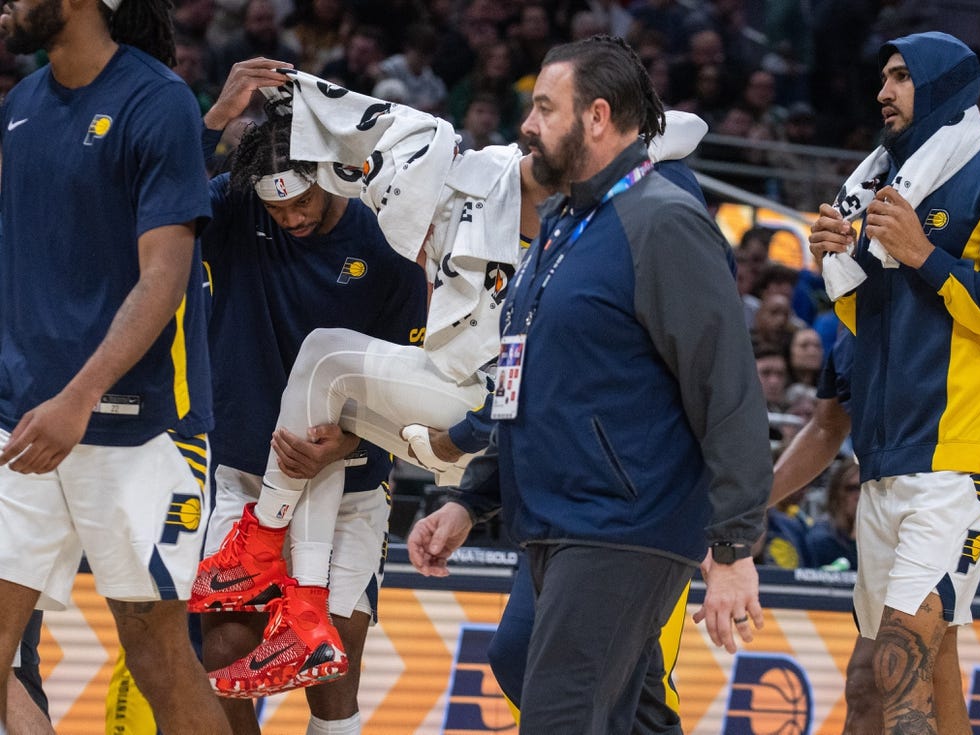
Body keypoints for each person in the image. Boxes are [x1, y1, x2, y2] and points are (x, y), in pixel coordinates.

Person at [190, 54, 712, 697]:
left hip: (506, 439)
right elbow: (373, 128)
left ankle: (274, 556)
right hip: (464, 433)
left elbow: (541, 373)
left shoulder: (586, 244)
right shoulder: (493, 191)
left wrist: (462, 439)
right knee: (326, 397)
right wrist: (250, 109)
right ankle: (301, 602)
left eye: (547, 112)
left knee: (325, 359)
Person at [407, 35, 772, 734]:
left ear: (597, 116)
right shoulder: (564, 224)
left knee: (559, 715)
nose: (528, 124)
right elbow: (523, 385)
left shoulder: (664, 221)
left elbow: (727, 387)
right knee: (613, 710)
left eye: (545, 107)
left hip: (623, 523)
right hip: (555, 517)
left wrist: (733, 547)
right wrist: (470, 500)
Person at [809, 31, 980, 733]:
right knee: (870, 682)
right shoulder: (888, 184)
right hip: (887, 459)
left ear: (945, 84)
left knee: (903, 679)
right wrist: (843, 262)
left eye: (900, 77)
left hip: (958, 460)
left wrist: (924, 254)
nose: (883, 93)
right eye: (882, 78)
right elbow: (894, 325)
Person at [0, 1, 230, 733]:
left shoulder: (157, 99)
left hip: (141, 427)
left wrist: (80, 395)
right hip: (26, 421)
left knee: (156, 650)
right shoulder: (21, 103)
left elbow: (163, 278)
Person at [187, 63, 428, 735]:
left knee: (333, 668)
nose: (289, 217)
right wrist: (214, 119)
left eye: (301, 203)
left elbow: (407, 379)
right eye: (277, 208)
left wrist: (350, 438)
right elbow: (156, 198)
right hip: (244, 470)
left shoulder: (390, 243)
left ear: (329, 174)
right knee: (226, 654)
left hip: (348, 480)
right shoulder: (238, 209)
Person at [771, 327, 980, 734]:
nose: (820, 258)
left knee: (918, 663)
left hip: (959, 479)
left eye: (824, 255)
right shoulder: (853, 303)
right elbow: (828, 426)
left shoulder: (950, 275)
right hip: (886, 487)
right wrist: (750, 504)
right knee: (868, 678)